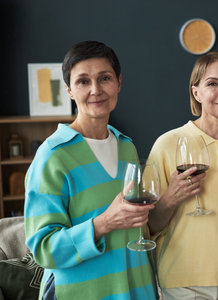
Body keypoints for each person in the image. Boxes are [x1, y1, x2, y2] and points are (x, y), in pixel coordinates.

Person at [24, 41, 159, 299]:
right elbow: (43, 250)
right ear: (69, 90)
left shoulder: (126, 146)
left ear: (119, 83)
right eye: (83, 81)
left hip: (135, 289)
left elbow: (136, 228)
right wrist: (104, 223)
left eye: (104, 78)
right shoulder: (53, 156)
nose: (95, 90)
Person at [146, 51, 218, 299]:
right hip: (186, 282)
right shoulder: (168, 144)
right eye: (212, 83)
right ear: (196, 93)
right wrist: (171, 198)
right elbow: (149, 225)